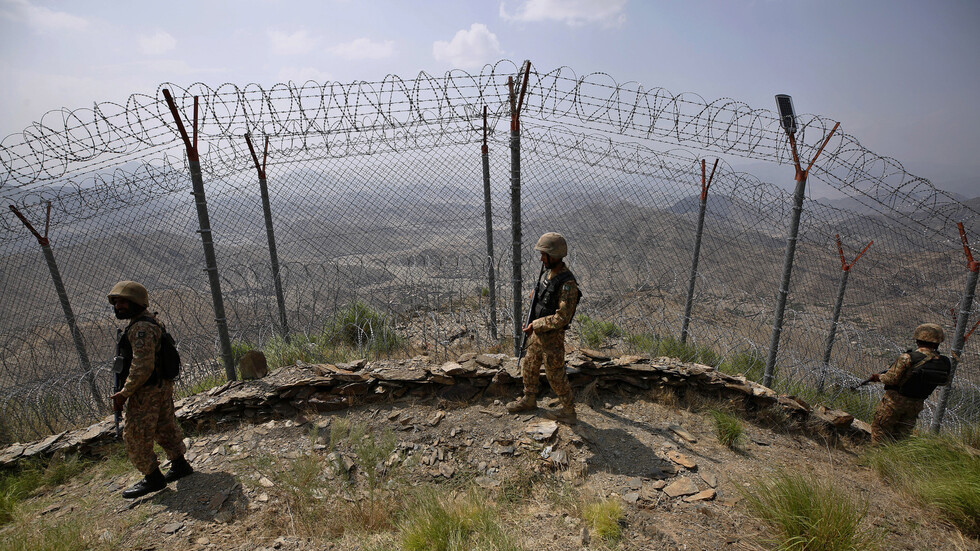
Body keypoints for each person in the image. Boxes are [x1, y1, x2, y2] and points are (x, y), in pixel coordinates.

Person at [108, 280, 193, 498]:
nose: (118, 307)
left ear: (136, 302)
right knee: (165, 426)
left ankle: (153, 478)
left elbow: (142, 365)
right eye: (115, 303)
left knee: (135, 436)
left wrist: (125, 393)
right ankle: (179, 465)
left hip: (147, 390)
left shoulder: (141, 328)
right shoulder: (148, 321)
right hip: (161, 386)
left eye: (123, 303)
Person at [506, 232, 582, 424]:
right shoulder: (548, 274)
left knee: (555, 375)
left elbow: (562, 318)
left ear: (554, 255)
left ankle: (569, 411)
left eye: (543, 254)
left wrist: (536, 324)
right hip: (537, 335)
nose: (541, 258)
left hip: (552, 339)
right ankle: (529, 399)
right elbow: (545, 301)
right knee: (529, 366)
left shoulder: (568, 284)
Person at [869, 323, 952, 445]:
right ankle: (897, 459)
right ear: (937, 342)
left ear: (918, 340)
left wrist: (879, 377)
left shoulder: (908, 358)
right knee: (902, 436)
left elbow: (891, 379)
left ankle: (877, 459)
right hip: (916, 404)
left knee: (881, 430)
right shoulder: (943, 361)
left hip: (894, 402)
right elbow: (944, 382)